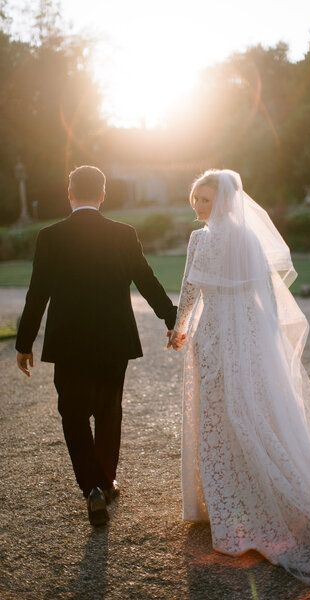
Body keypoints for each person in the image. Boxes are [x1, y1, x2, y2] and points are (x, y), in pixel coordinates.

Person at [168, 169, 310, 592]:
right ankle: (247, 500)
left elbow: (190, 291)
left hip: (220, 337)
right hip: (246, 336)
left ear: (222, 201)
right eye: (195, 199)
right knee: (248, 413)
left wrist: (179, 327)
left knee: (224, 417)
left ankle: (236, 508)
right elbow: (267, 299)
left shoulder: (200, 240)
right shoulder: (249, 239)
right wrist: (264, 338)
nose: (199, 206)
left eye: (205, 199)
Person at [16, 165, 178, 526]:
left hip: (68, 342)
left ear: (69, 193)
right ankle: (104, 483)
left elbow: (37, 293)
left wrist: (24, 342)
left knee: (72, 415)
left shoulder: (50, 236)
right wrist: (172, 319)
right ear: (103, 195)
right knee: (109, 412)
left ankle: (91, 487)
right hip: (113, 340)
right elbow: (147, 281)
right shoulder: (123, 234)